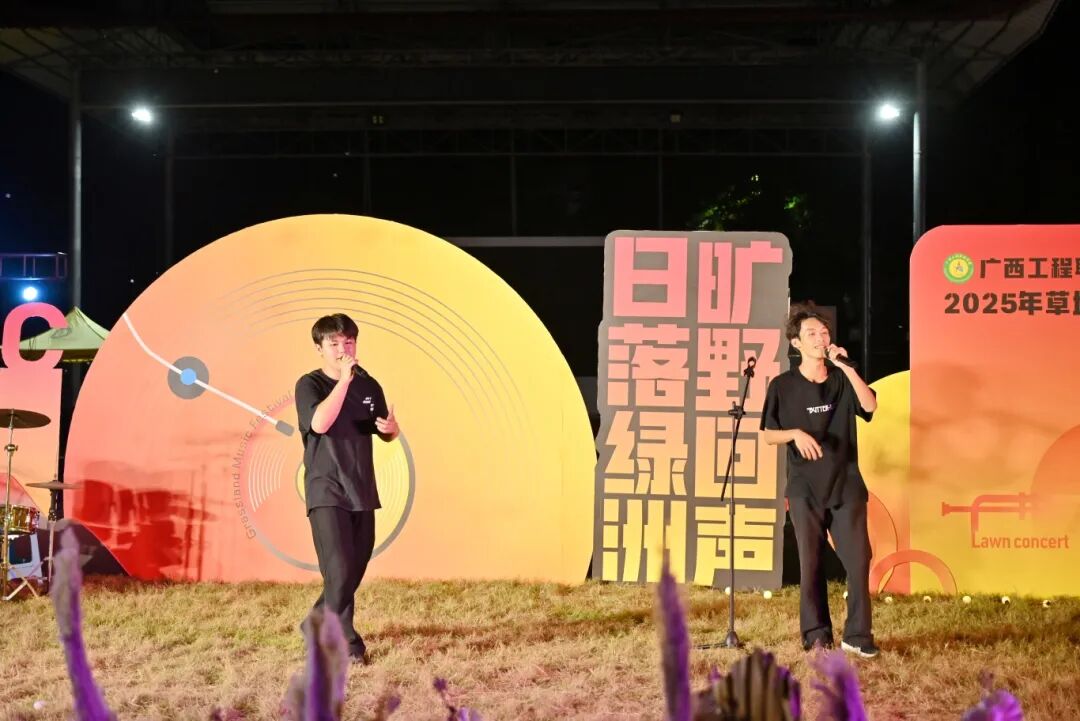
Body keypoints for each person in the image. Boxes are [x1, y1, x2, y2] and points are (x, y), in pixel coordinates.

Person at [760, 302, 880, 658]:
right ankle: (816, 633)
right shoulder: (782, 386)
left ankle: (857, 635)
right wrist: (795, 433)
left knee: (858, 560)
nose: (820, 338)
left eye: (824, 333)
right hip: (805, 489)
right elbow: (768, 434)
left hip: (846, 485)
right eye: (811, 334)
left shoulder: (842, 378)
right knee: (811, 562)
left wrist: (847, 367)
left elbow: (870, 406)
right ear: (796, 343)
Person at [294, 313, 399, 664]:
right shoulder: (309, 384)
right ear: (319, 348)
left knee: (354, 567)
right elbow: (320, 423)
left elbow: (382, 429)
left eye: (349, 342)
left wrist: (392, 429)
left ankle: (316, 622)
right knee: (338, 568)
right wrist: (342, 381)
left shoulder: (369, 385)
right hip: (326, 488)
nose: (343, 349)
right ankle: (347, 643)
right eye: (334, 343)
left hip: (361, 487)